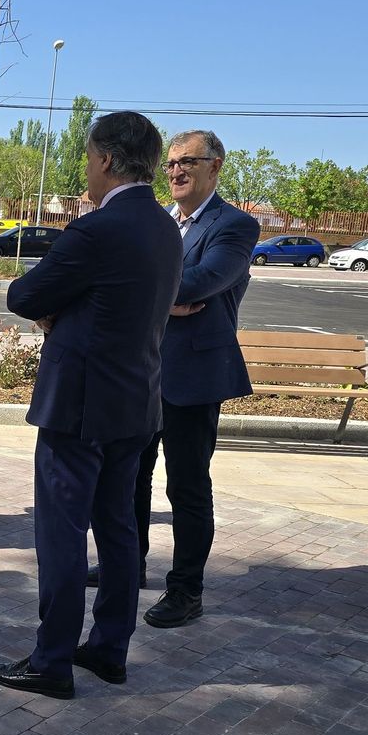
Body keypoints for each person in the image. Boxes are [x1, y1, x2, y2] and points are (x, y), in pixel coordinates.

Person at [0, 111, 181, 699]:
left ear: (107, 161)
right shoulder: (166, 228)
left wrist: (58, 314)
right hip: (137, 402)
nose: (87, 169)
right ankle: (109, 648)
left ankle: (52, 660)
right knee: (119, 530)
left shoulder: (98, 230)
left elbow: (23, 294)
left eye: (90, 157)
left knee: (63, 534)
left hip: (79, 408)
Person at [130, 130, 260, 631]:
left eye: (188, 162)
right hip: (144, 371)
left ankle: (186, 590)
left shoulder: (235, 225)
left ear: (216, 166)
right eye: (170, 164)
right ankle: (130, 564)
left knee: (185, 487)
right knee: (130, 478)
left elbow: (206, 280)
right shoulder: (160, 222)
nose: (177, 171)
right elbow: (143, 278)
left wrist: (147, 293)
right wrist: (165, 301)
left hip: (194, 376)